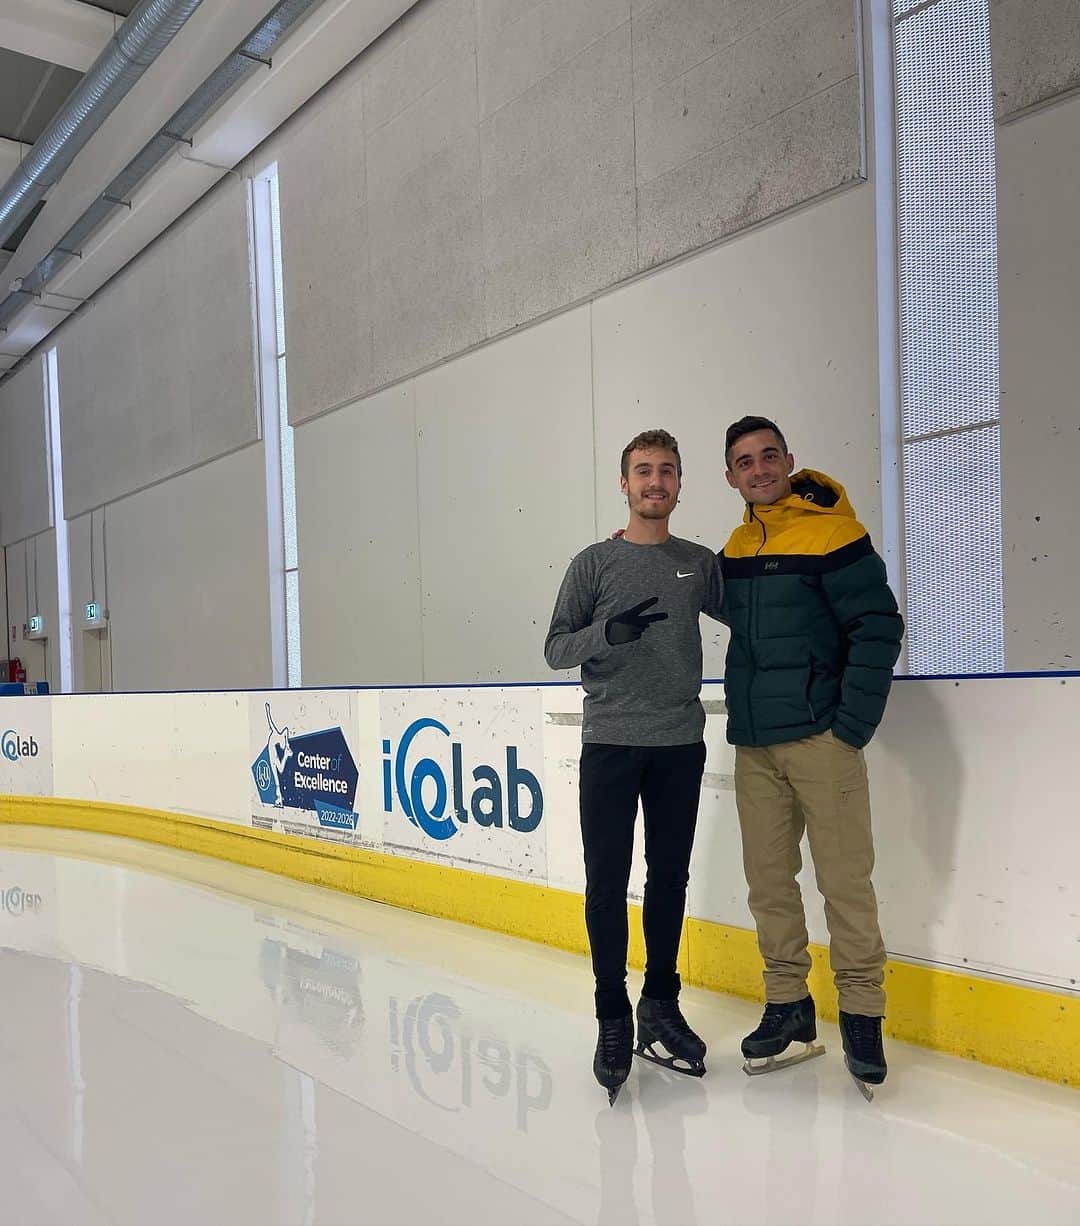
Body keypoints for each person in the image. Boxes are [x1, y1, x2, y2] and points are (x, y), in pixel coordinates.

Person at [720, 415, 903, 1095]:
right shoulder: (736, 546)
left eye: (769, 456)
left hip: (822, 741)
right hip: (755, 747)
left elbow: (878, 626)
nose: (760, 469)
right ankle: (789, 1006)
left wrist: (850, 725)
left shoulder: (836, 534)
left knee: (844, 884)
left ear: (789, 461)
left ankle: (861, 1014)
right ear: (732, 476)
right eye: (745, 461)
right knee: (769, 885)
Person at [544, 428, 725, 1104]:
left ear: (680, 484)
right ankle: (613, 1016)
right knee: (606, 882)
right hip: (613, 743)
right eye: (643, 472)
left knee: (669, 880)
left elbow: (757, 615)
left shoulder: (698, 563)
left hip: (679, 743)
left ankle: (661, 1003)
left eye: (667, 471)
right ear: (624, 484)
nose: (655, 482)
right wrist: (607, 635)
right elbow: (557, 648)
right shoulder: (593, 565)